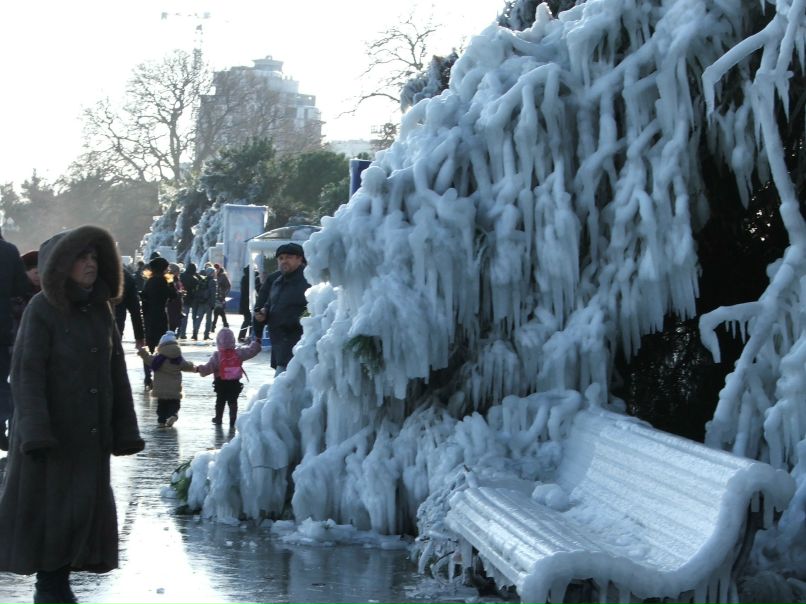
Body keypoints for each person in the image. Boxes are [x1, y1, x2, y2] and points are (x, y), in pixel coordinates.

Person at [0, 225, 144, 603]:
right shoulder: (42, 309)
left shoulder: (99, 310)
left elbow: (116, 372)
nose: (91, 263)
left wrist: (124, 429)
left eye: (95, 256)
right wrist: (34, 431)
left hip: (89, 437)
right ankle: (50, 589)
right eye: (82, 256)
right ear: (61, 264)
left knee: (80, 514)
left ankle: (59, 585)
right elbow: (26, 373)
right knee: (51, 516)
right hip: (51, 438)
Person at [254, 243, 310, 375]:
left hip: (299, 344)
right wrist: (263, 315)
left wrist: (293, 323)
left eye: (289, 257)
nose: (284, 261)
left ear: (300, 259)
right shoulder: (277, 281)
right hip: (280, 344)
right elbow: (268, 304)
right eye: (281, 258)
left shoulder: (308, 280)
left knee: (284, 387)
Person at [195, 328, 261, 427]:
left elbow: (209, 368)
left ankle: (218, 418)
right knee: (233, 401)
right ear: (233, 340)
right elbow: (251, 351)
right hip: (234, 383)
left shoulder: (217, 356)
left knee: (220, 401)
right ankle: (232, 419)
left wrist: (199, 369)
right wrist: (256, 342)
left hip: (220, 383)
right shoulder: (238, 353)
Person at [0, 228, 28, 452]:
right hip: (2, 325)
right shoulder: (9, 251)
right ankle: (1, 421)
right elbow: (21, 286)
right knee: (1, 377)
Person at [137, 331, 195, 428]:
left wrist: (142, 351)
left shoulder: (158, 359)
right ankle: (173, 415)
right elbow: (187, 366)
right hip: (174, 390)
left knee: (161, 407)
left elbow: (147, 359)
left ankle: (161, 421)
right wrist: (193, 365)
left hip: (161, 390)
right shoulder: (178, 359)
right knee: (174, 406)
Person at [140, 257, 177, 388]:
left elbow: (143, 300)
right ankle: (158, 376)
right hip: (160, 318)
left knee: (149, 348)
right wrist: (171, 282)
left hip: (149, 319)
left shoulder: (149, 282)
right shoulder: (162, 281)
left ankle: (147, 376)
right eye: (166, 268)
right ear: (162, 269)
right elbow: (173, 295)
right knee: (163, 349)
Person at [114, 265, 146, 349]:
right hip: (116, 325)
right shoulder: (126, 276)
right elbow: (135, 311)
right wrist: (139, 337)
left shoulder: (93, 272)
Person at [191, 266, 217, 340]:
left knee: (199, 318)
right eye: (214, 272)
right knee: (208, 320)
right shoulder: (213, 281)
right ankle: (206, 335)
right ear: (212, 273)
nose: (215, 273)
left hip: (201, 301)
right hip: (208, 303)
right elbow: (213, 293)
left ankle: (195, 333)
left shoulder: (203, 279)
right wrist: (213, 304)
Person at [178, 262, 200, 339]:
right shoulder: (194, 279)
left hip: (181, 298)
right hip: (190, 299)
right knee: (189, 317)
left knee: (181, 317)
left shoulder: (182, 276)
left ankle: (179, 332)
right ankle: (188, 333)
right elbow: (197, 287)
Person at [211, 263, 231, 330]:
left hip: (221, 297)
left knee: (218, 311)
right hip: (216, 297)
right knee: (219, 311)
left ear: (219, 269)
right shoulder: (215, 276)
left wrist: (224, 294)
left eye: (217, 269)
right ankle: (224, 324)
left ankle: (214, 325)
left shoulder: (223, 276)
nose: (216, 270)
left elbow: (228, 286)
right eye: (215, 269)